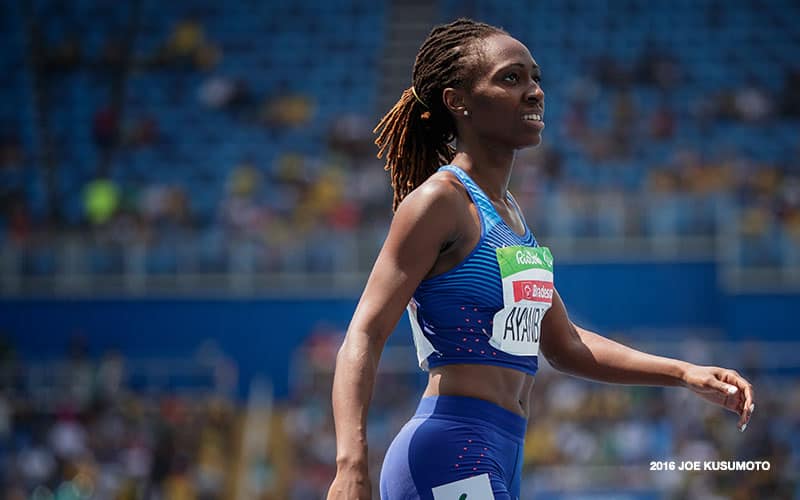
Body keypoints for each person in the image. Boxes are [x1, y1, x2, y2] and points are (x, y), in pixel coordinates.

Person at [326, 18, 755, 500]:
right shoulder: (439, 202)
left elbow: (565, 344)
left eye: (535, 78)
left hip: (504, 448)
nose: (534, 92)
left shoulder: (511, 217)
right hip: (451, 448)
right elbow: (364, 332)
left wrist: (684, 373)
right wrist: (351, 463)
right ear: (457, 101)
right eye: (511, 78)